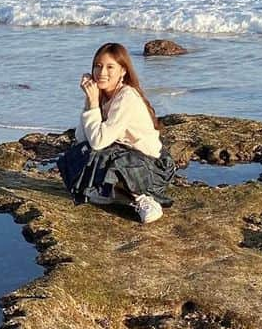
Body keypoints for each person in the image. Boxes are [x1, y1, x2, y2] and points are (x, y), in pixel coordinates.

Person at [55, 42, 175, 224]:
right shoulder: (102, 95)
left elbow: (98, 141)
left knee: (104, 155)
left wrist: (93, 104)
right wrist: (90, 102)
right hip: (123, 156)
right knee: (78, 155)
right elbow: (82, 138)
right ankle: (118, 196)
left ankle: (143, 199)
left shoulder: (126, 96)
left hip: (149, 168)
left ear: (123, 71)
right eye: (98, 66)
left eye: (110, 67)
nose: (102, 72)